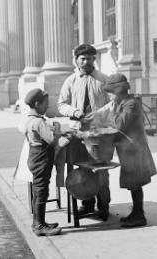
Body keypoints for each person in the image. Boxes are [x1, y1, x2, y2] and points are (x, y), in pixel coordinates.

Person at [83, 73, 157, 227]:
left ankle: (139, 215)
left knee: (136, 182)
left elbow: (119, 125)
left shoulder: (131, 103)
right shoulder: (120, 102)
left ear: (118, 90)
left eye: (110, 92)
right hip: (127, 150)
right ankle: (136, 212)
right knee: (132, 182)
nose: (108, 96)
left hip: (135, 149)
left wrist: (105, 120)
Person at [58, 43, 111, 220]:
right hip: (78, 135)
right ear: (76, 60)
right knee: (83, 170)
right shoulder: (70, 81)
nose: (87, 61)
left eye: (90, 58)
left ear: (94, 59)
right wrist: (74, 112)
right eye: (83, 58)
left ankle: (103, 206)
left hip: (100, 135)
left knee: (101, 170)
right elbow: (61, 104)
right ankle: (86, 204)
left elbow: (114, 102)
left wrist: (100, 113)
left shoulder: (103, 79)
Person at [23, 88, 69, 236]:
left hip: (35, 157)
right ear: (37, 104)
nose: (47, 107)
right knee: (42, 192)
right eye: (45, 104)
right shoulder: (38, 122)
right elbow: (50, 140)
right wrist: (56, 129)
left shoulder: (30, 119)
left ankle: (39, 222)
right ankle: (39, 225)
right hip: (41, 158)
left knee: (39, 191)